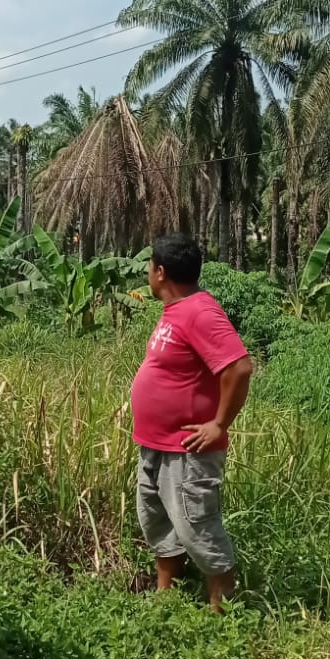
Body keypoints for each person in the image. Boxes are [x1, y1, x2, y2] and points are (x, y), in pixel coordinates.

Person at [129, 233, 253, 611]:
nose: (148, 272)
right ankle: (166, 603)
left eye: (149, 266)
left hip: (186, 450)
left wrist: (219, 424)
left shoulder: (200, 311)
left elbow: (239, 367)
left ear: (160, 272)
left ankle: (222, 617)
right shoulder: (177, 310)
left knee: (199, 530)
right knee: (160, 526)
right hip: (156, 443)